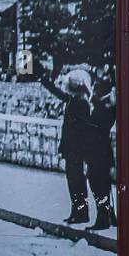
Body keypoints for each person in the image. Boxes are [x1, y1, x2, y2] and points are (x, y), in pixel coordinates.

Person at [40, 67, 97, 225]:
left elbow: (84, 129)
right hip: (73, 148)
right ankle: (77, 212)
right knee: (74, 181)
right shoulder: (77, 101)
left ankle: (81, 214)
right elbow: (59, 94)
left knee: (76, 181)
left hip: (76, 149)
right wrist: (45, 82)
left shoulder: (80, 104)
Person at [87, 77, 118, 230]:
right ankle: (107, 213)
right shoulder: (104, 108)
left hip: (98, 153)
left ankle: (103, 217)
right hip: (100, 152)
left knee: (97, 183)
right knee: (100, 183)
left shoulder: (102, 109)